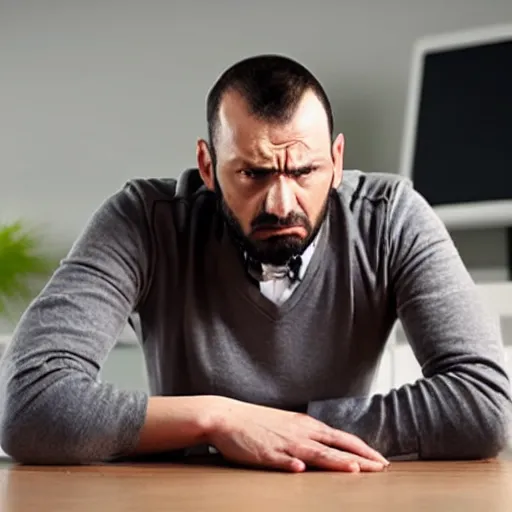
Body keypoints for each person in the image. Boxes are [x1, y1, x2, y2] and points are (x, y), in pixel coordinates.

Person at [0, 55, 511, 473]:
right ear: (207, 167)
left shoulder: (392, 216)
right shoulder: (142, 220)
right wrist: (220, 420)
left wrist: (287, 430)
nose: (281, 203)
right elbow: (28, 405)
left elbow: (484, 405)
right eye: (252, 173)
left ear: (336, 161)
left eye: (305, 170)